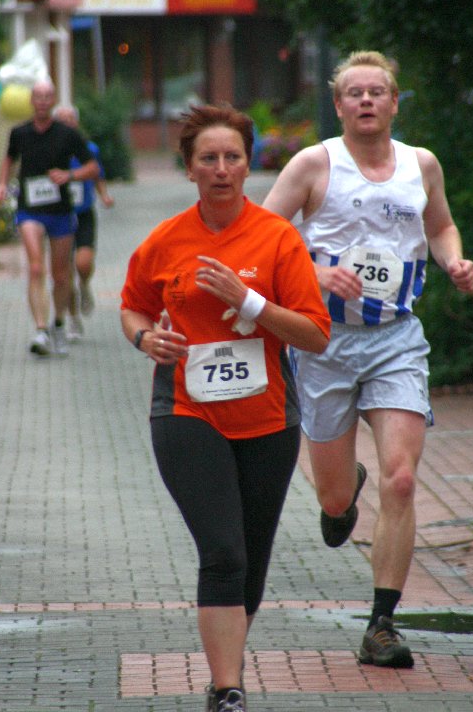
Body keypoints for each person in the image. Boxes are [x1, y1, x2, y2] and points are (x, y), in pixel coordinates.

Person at [262, 51, 473, 668]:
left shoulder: (421, 165)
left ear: (394, 102)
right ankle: (342, 494)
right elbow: (263, 234)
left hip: (395, 338)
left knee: (402, 478)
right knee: (334, 501)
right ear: (338, 105)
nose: (365, 101)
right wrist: (314, 271)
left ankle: (382, 623)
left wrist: (452, 260)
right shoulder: (314, 164)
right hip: (323, 340)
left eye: (376, 92)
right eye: (353, 93)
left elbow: (441, 227)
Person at [120, 104, 330, 712]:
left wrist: (250, 301)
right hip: (186, 412)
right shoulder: (166, 240)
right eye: (207, 158)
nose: (220, 168)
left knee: (251, 564)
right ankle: (227, 689)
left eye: (232, 157)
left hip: (268, 420)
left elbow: (316, 334)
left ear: (246, 165)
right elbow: (133, 305)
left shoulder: (277, 238)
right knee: (223, 553)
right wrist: (144, 338)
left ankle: (226, 670)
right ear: (189, 169)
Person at [0, 80, 99, 357]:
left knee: (60, 275)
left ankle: (59, 324)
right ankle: (41, 330)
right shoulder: (20, 133)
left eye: (47, 96)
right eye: (38, 96)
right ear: (31, 100)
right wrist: (2, 184)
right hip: (29, 208)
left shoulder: (67, 134)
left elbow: (92, 167)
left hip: (60, 211)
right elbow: (8, 159)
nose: (42, 101)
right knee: (36, 268)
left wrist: (70, 175)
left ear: (53, 101)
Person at [53, 105, 114, 342]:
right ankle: (73, 319)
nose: (67, 123)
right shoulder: (50, 149)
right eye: (62, 120)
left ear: (76, 123)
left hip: (84, 213)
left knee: (83, 263)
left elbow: (98, 174)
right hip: (59, 215)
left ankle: (85, 285)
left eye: (70, 119)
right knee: (64, 272)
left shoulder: (89, 149)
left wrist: (104, 195)